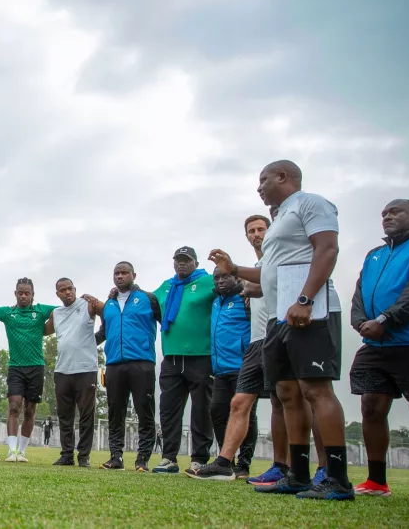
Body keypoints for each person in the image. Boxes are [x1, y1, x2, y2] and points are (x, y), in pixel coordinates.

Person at [210, 159, 353, 500]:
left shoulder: (310, 204)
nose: (258, 187)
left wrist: (305, 299)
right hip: (278, 317)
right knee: (286, 393)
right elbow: (269, 273)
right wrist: (235, 268)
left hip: (309, 311)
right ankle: (297, 475)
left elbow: (327, 248)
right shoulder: (278, 223)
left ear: (283, 177)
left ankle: (337, 478)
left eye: (263, 180)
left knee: (316, 390)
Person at [348, 199, 409, 501]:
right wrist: (361, 323)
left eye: (395, 212)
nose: (387, 217)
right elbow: (359, 294)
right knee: (371, 407)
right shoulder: (374, 255)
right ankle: (376, 481)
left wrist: (385, 320)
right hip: (375, 345)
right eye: (384, 213)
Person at [184, 269, 254, 481]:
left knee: (246, 412)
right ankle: (226, 461)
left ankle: (244, 464)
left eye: (225, 276)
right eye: (217, 278)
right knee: (216, 411)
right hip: (220, 368)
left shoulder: (245, 298)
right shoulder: (215, 302)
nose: (220, 281)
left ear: (236, 277)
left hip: (242, 365)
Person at [151, 247, 217, 475]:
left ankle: (199, 459)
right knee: (168, 410)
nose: (181, 264)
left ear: (195, 263)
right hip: (171, 358)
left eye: (186, 260)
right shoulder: (166, 286)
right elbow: (148, 301)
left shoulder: (208, 281)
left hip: (201, 357)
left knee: (201, 410)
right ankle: (168, 458)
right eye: (178, 260)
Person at [99, 262, 160, 471]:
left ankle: (142, 459)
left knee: (144, 411)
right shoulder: (109, 304)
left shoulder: (148, 299)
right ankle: (115, 457)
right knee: (115, 412)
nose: (120, 276)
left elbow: (167, 323)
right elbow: (104, 333)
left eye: (124, 273)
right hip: (114, 364)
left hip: (142, 362)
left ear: (134, 275)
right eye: (116, 273)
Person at [0, 278, 56, 462]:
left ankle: (22, 451)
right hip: (16, 367)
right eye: (20, 293)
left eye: (27, 293)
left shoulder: (40, 310)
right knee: (14, 406)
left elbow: (63, 310)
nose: (23, 296)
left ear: (33, 295)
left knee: (30, 410)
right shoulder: (7, 313)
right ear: (15, 294)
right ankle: (12, 451)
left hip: (36, 366)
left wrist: (48, 327)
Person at [45, 278, 102, 467]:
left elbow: (109, 314)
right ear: (57, 294)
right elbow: (42, 330)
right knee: (64, 415)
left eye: (70, 288)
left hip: (86, 369)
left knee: (86, 415)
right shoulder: (56, 313)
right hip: (62, 370)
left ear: (75, 289)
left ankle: (84, 456)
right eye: (63, 290)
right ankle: (67, 454)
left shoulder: (87, 304)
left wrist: (98, 337)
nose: (67, 292)